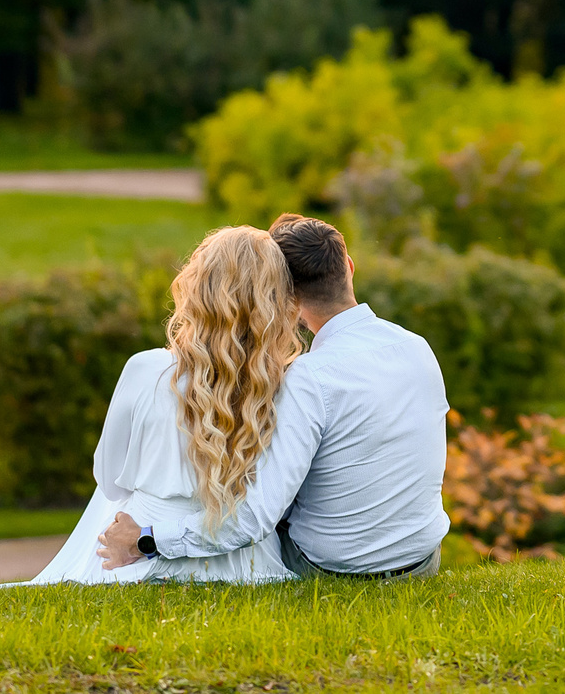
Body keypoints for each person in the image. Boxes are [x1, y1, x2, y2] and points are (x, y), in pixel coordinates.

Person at [98, 213, 449, 580]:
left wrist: (147, 538)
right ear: (349, 266)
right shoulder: (416, 347)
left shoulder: (309, 378)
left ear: (285, 298)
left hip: (339, 572)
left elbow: (254, 519)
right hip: (423, 559)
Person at [7, 224, 305, 586]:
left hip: (142, 545)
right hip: (249, 559)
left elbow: (109, 481)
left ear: (196, 288)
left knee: (118, 497)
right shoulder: (289, 383)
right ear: (277, 302)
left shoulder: (146, 369)